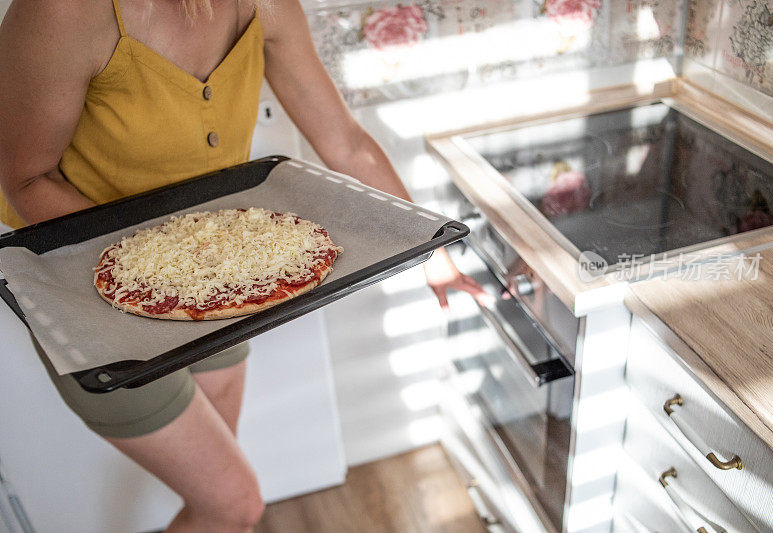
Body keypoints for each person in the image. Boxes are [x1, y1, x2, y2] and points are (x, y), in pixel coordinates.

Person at [0, 1, 487, 531]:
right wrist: (156, 271)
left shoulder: (267, 4)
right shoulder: (64, 12)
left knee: (217, 508)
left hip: (219, 283)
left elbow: (345, 141)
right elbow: (24, 177)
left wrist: (432, 253)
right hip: (90, 308)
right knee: (235, 506)